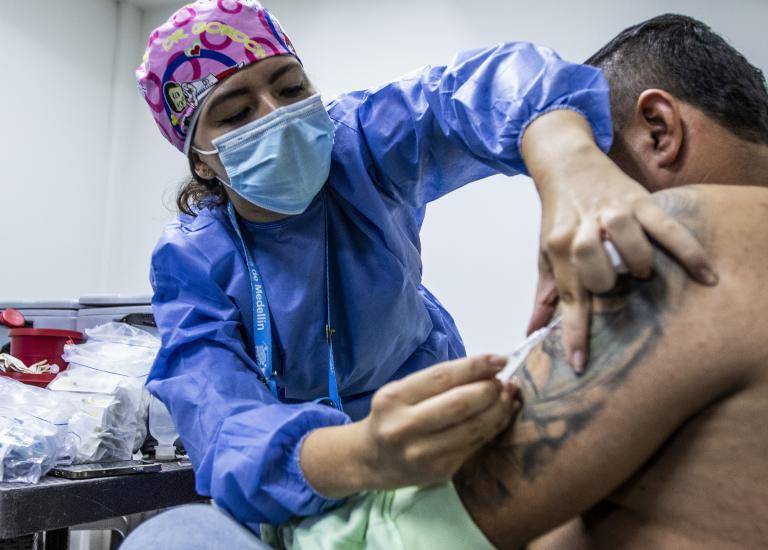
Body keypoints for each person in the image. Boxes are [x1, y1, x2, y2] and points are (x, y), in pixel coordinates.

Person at [123, 13, 767, 549]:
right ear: (201, 161)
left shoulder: (357, 146)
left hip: (440, 436)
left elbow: (482, 88)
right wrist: (361, 453)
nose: (275, 115)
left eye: (290, 88)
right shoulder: (193, 260)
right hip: (312, 478)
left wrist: (571, 166)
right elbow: (222, 423)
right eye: (235, 114)